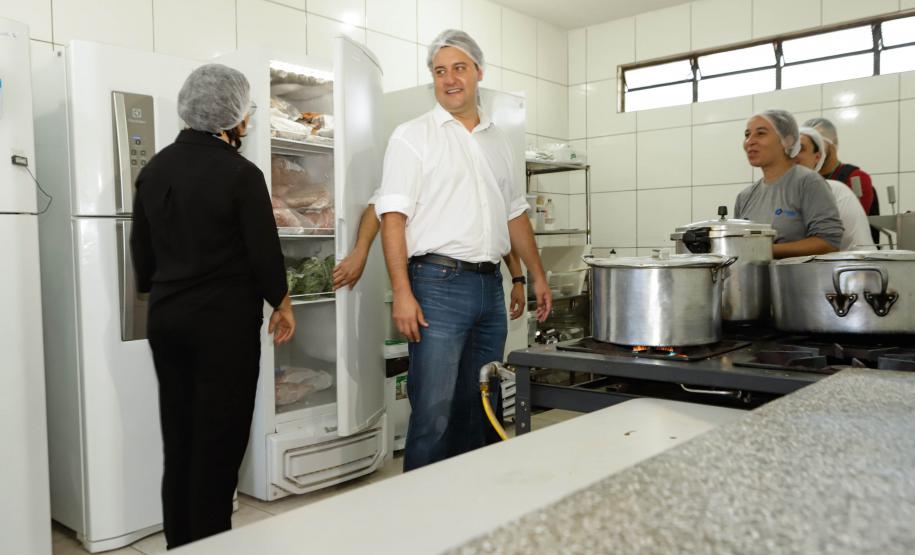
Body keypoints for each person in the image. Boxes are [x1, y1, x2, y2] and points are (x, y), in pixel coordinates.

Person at [130, 64, 295, 549]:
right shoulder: (241, 174)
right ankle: (211, 544)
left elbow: (142, 259)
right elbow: (265, 254)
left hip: (167, 321)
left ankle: (180, 543)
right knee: (218, 446)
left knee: (179, 440)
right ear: (232, 116)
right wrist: (282, 303)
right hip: (222, 327)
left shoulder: (154, 169)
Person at [374, 29, 551, 471]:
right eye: (439, 71)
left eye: (459, 68)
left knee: (483, 400)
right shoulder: (412, 137)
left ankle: (476, 502)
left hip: (489, 286)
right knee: (434, 408)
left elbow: (513, 216)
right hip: (436, 286)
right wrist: (402, 291)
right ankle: (422, 519)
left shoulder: (498, 142)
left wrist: (533, 275)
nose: (449, 79)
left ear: (479, 73)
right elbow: (390, 217)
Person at [333, 203, 527, 320]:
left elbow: (500, 225)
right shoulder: (424, 150)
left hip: (490, 280)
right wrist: (360, 252)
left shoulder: (484, 162)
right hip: (439, 280)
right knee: (437, 377)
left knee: (483, 376)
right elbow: (379, 205)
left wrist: (518, 279)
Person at [735, 109, 843, 259]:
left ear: (788, 140)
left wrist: (765, 250)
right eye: (747, 135)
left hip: (799, 281)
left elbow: (828, 243)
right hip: (755, 280)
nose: (750, 141)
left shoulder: (808, 182)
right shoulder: (745, 196)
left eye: (761, 133)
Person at [794, 126, 876, 251]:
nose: (793, 155)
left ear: (817, 156)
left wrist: (771, 249)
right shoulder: (775, 193)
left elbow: (828, 242)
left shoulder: (838, 189)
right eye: (789, 150)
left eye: (801, 149)